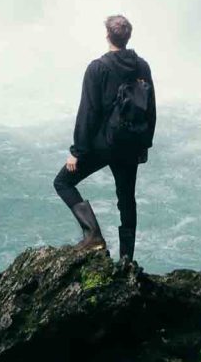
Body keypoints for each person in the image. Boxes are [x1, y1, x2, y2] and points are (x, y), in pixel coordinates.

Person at [53, 14, 156, 266]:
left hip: (104, 145)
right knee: (127, 199)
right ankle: (126, 261)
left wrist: (77, 151)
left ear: (108, 36)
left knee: (63, 182)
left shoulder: (97, 68)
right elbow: (151, 108)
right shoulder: (142, 67)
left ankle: (93, 235)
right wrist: (144, 144)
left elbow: (88, 112)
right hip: (131, 143)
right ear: (128, 37)